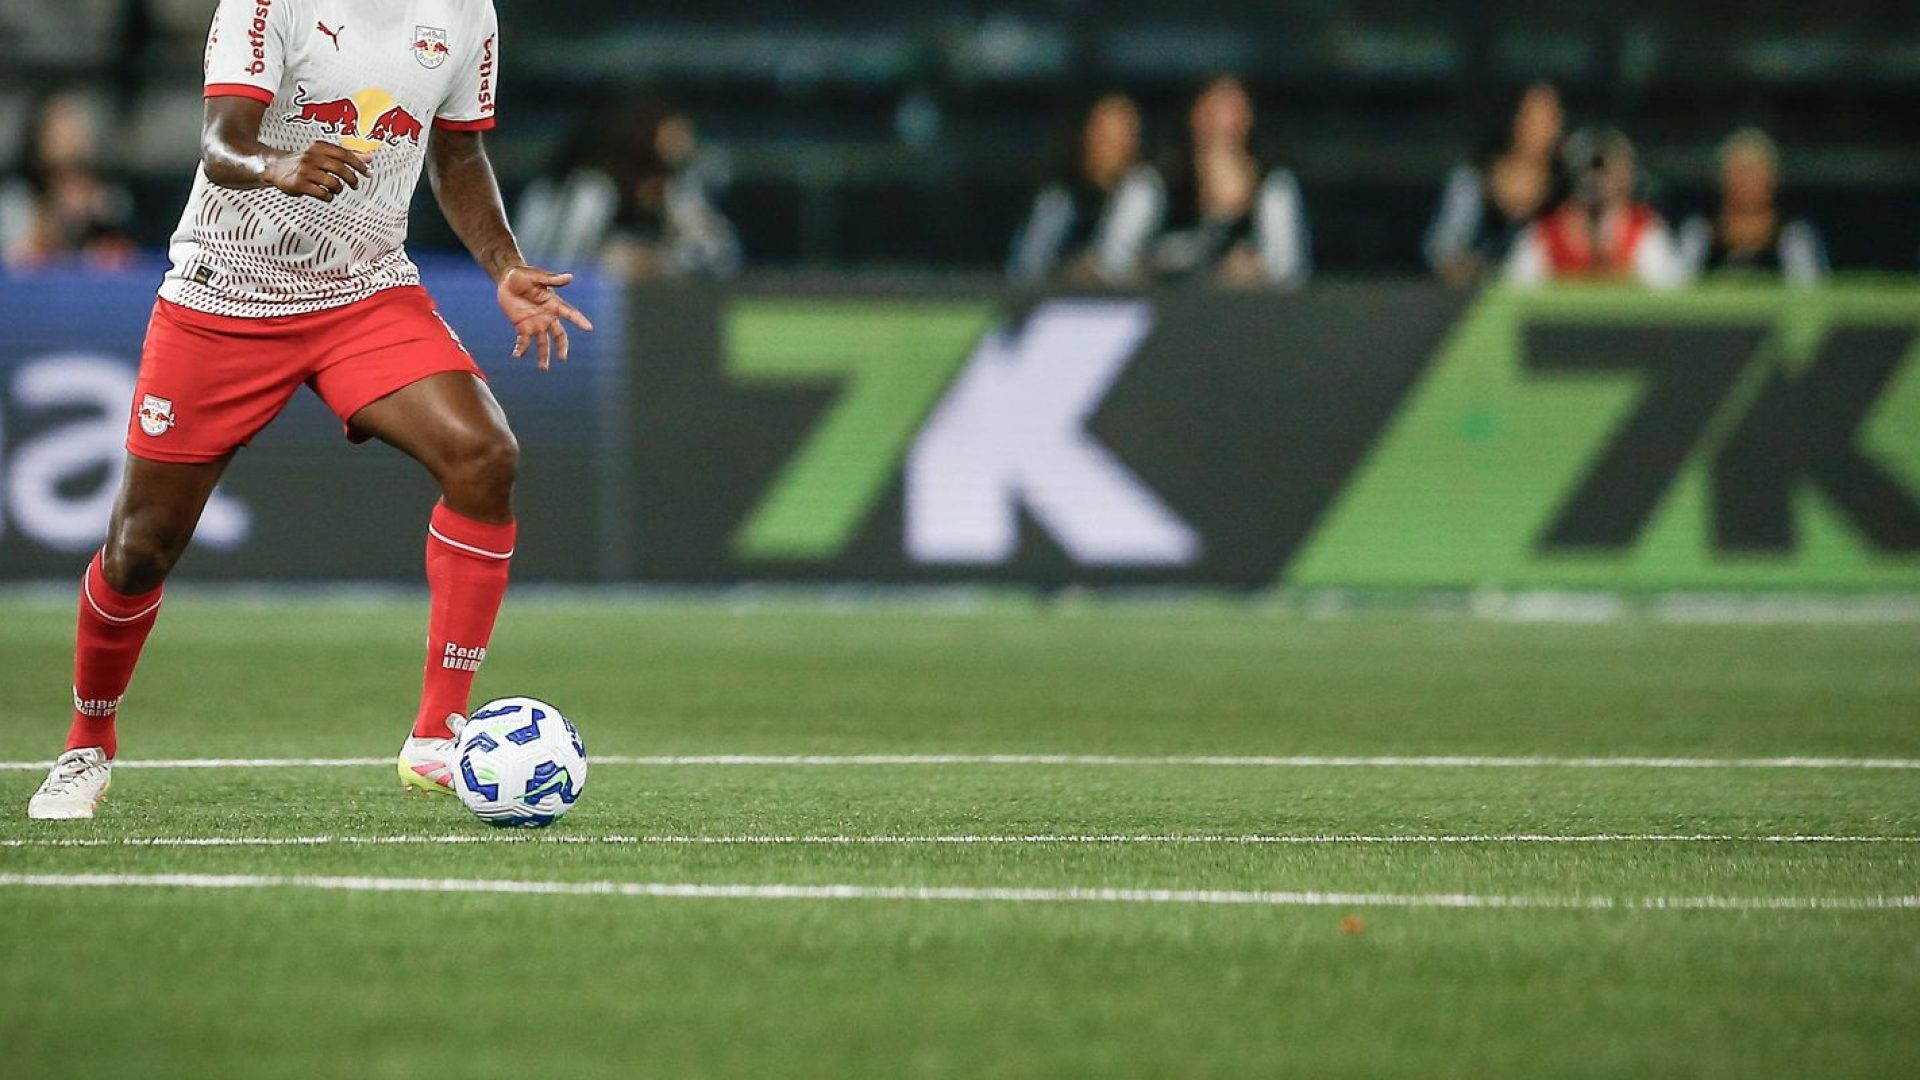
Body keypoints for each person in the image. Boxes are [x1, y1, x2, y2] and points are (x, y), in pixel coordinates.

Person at [26, 0, 592, 820]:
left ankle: (437, 734)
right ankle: (86, 746)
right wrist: (276, 164)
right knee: (137, 551)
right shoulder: (267, 4)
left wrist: (503, 264)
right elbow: (220, 143)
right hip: (223, 293)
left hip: (362, 289)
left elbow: (458, 153)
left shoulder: (468, 11)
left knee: (484, 455)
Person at [515, 97, 741, 281]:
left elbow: (721, 260)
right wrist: (608, 263)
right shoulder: (585, 189)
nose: (685, 140)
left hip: (648, 316)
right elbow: (551, 266)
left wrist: (655, 261)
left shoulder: (676, 193)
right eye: (672, 131)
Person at [1152, 75, 1310, 289]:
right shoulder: (1160, 183)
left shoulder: (1273, 185)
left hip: (1253, 313)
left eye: (1232, 110)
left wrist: (1257, 270)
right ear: (1195, 115)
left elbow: (1289, 271)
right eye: (1213, 110)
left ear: (1248, 118)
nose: (1221, 121)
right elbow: (1117, 266)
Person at [1008, 92, 1164, 286]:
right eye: (1102, 133)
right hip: (1051, 301)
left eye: (1120, 135)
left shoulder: (1142, 188)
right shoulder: (1058, 197)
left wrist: (1082, 270)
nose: (1110, 144)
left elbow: (1113, 264)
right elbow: (1027, 266)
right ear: (1085, 134)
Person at [1504, 126, 1688, 290]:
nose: (1596, 179)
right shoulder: (1542, 237)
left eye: (1605, 167)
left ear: (1626, 174)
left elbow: (1670, 302)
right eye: (1590, 166)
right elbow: (1516, 298)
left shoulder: (1646, 232)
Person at [1424, 82, 1564, 287]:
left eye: (1549, 118)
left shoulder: (1568, 184)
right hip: (1477, 302)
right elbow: (1443, 251)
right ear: (1513, 118)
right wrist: (1489, 273)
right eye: (1530, 116)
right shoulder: (1473, 180)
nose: (1538, 127)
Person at [0, 91, 137, 268]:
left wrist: (99, 222)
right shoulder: (18, 198)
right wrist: (55, 218)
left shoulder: (108, 197)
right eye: (61, 129)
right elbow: (17, 264)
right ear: (40, 136)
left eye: (77, 127)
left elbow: (128, 262)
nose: (72, 137)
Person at [1678, 128, 1826, 287]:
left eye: (1756, 172)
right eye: (1740, 172)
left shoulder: (1795, 236)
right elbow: (1676, 295)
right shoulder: (1699, 233)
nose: (1747, 183)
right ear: (1722, 179)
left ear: (1773, 179)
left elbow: (1812, 296)